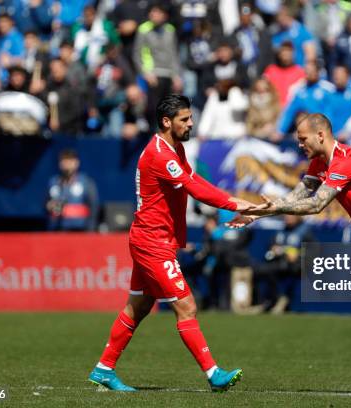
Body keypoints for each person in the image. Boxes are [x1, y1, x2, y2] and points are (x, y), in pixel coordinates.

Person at [232, 113, 351, 397]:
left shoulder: (345, 161)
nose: (299, 144)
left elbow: (316, 205)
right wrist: (260, 212)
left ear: (320, 135)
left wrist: (275, 209)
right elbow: (298, 194)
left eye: (302, 139)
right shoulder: (321, 161)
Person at [88, 94, 254, 392]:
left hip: (150, 238)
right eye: (185, 119)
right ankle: (213, 374)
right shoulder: (160, 155)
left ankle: (104, 368)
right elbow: (194, 189)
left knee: (138, 307)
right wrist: (235, 203)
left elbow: (194, 180)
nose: (191, 123)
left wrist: (233, 202)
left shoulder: (174, 149)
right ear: (167, 122)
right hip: (152, 242)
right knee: (186, 305)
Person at [46, 149, 98, 231]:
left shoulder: (86, 182)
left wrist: (90, 230)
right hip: (57, 228)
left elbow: (93, 207)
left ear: (77, 163)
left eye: (70, 160)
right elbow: (46, 204)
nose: (67, 164)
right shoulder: (53, 182)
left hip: (80, 229)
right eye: (64, 161)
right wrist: (50, 206)